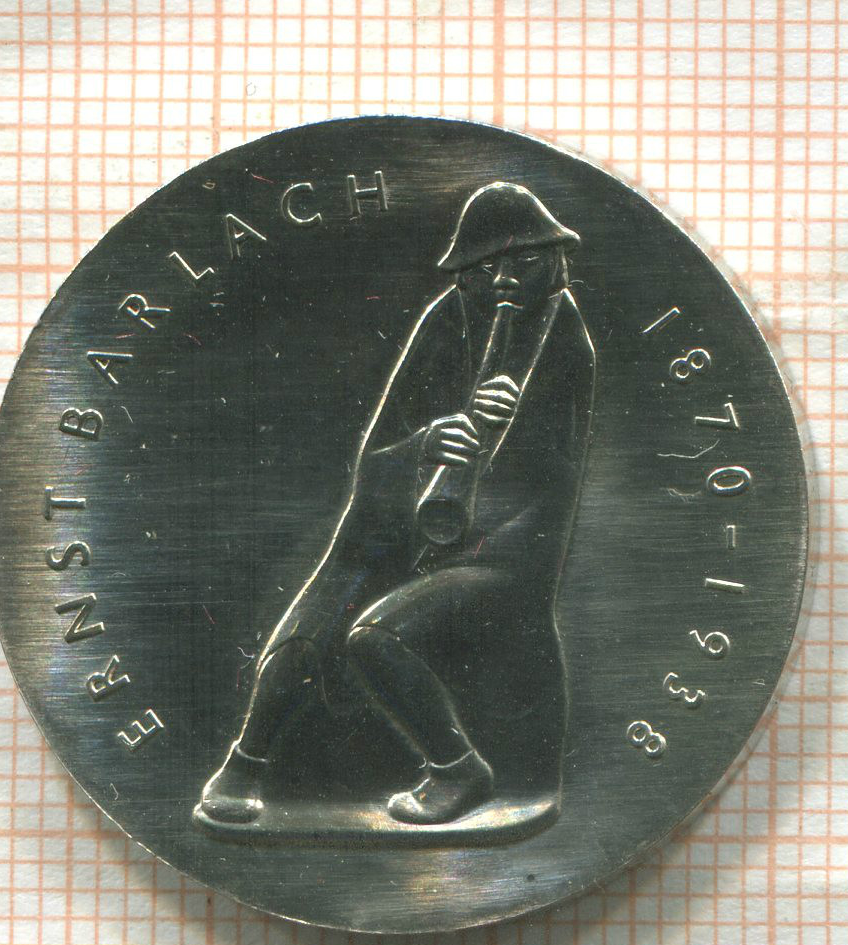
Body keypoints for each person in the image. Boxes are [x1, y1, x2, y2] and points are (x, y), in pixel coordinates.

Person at [195, 181, 596, 827]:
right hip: (400, 525)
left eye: (523, 262)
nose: (503, 282)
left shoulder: (563, 335)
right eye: (484, 268)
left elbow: (551, 482)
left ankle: (457, 768)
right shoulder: (446, 316)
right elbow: (379, 454)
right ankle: (245, 762)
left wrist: (507, 430)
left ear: (554, 260)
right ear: (463, 273)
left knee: (376, 638)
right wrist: (428, 443)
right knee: (310, 626)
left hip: (499, 550)